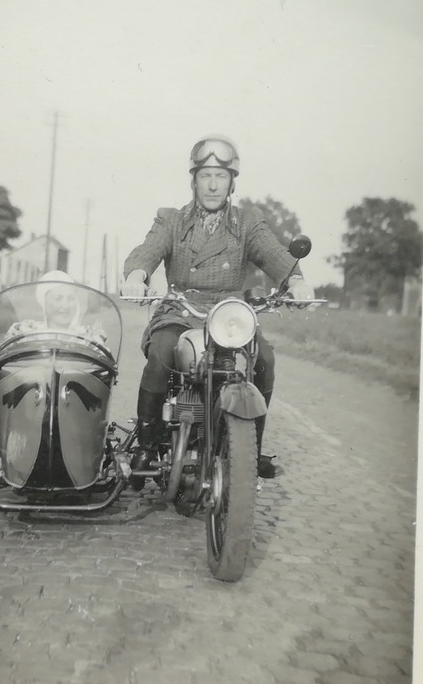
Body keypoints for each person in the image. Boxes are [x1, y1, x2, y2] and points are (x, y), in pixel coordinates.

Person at [120, 134, 313, 478]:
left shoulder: (246, 222)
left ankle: (250, 450)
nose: (212, 185)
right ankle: (147, 447)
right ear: (193, 180)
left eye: (220, 177)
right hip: (181, 310)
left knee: (263, 359)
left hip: (229, 316)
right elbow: (148, 250)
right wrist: (137, 275)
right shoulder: (172, 220)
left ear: (231, 183)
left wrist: (296, 282)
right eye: (205, 176)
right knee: (162, 353)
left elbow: (273, 253)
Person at [5, 270, 109, 347]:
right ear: (44, 302)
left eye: (71, 298)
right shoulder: (25, 332)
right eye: (58, 298)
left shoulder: (87, 336)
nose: (66, 305)